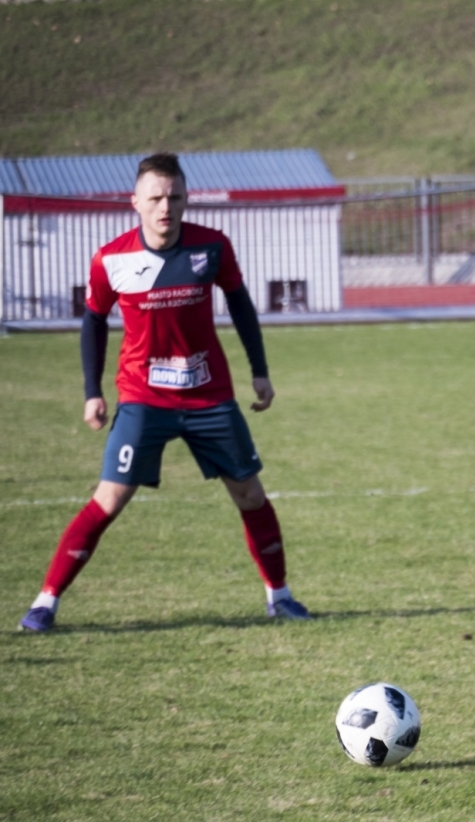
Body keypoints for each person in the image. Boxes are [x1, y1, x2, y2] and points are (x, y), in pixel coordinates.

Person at [17, 152, 310, 633]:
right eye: (155, 198)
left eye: (174, 197)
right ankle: (45, 602)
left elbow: (239, 301)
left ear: (186, 198)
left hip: (209, 395)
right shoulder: (112, 258)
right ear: (135, 202)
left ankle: (280, 597)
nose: (165, 207)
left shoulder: (212, 247)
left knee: (250, 494)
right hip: (142, 397)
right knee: (109, 497)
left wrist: (260, 370)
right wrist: (92, 391)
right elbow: (93, 319)